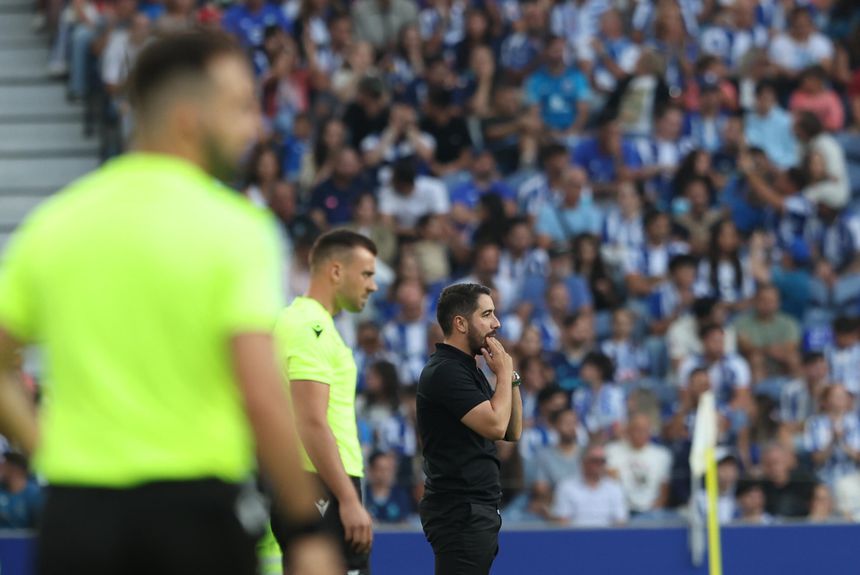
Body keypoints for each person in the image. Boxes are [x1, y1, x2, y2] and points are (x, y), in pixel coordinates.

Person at [0, 31, 334, 575]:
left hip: (77, 518)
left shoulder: (56, 225)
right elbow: (261, 393)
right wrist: (304, 527)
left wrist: (48, 451)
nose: (255, 126)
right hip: (194, 518)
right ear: (187, 119)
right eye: (241, 108)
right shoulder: (235, 229)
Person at [273, 229, 380, 574]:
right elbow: (311, 420)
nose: (373, 285)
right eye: (366, 274)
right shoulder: (310, 328)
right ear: (336, 271)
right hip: (321, 485)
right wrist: (347, 499)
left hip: (326, 481)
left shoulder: (316, 325)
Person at [417, 283, 523, 575]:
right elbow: (496, 424)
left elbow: (512, 431)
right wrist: (501, 373)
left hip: (475, 510)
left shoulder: (467, 368)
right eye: (487, 314)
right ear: (460, 323)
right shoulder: (446, 371)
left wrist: (510, 376)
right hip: (460, 510)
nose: (497, 323)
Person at [552, 442, 629, 527]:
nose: (599, 465)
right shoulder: (566, 487)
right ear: (583, 462)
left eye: (602, 461)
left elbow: (620, 522)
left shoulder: (614, 488)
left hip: (607, 538)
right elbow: (563, 523)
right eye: (595, 461)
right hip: (575, 538)